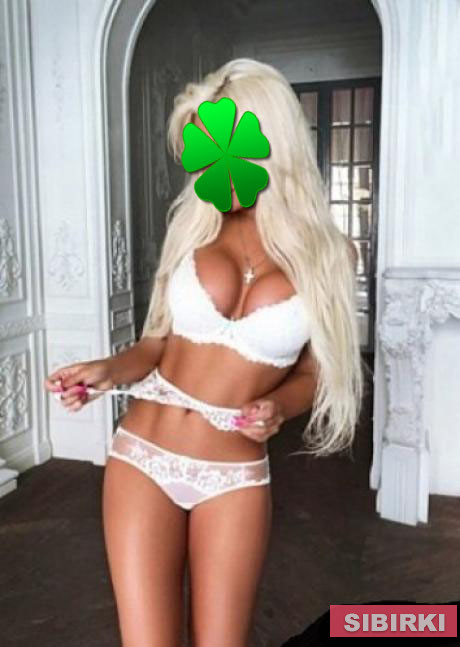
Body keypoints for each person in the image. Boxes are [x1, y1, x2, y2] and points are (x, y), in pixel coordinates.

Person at [44, 58, 363, 647]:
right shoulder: (193, 229)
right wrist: (107, 370)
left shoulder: (330, 255)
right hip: (143, 455)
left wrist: (279, 407)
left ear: (268, 143)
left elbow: (316, 371)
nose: (203, 168)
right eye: (198, 152)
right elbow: (156, 343)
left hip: (234, 474)